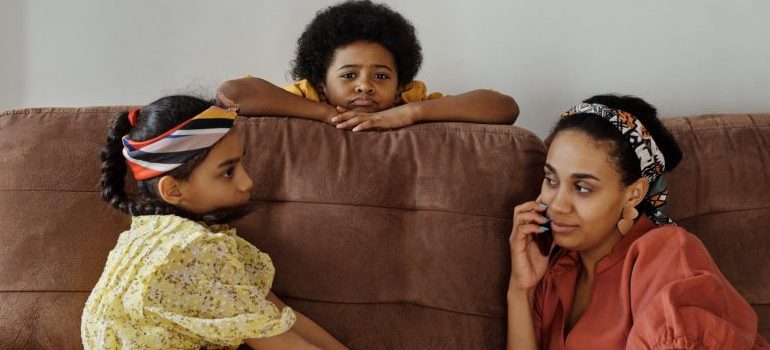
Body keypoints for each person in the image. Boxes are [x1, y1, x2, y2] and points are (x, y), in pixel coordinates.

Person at [81, 95, 348, 350]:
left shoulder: (147, 234)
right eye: (228, 172)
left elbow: (280, 316)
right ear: (173, 190)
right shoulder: (193, 250)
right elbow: (283, 344)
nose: (248, 182)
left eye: (242, 163)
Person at [506, 95, 769, 349]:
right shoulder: (555, 271)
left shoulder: (665, 253)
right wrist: (521, 290)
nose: (557, 204)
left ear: (634, 193)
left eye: (583, 187)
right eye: (551, 180)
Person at [217, 0, 519, 132]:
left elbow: (504, 107)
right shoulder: (309, 96)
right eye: (349, 75)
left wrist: (408, 113)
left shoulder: (408, 100)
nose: (365, 84)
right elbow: (233, 93)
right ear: (322, 83)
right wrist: (325, 114)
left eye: (380, 75)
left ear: (400, 86)